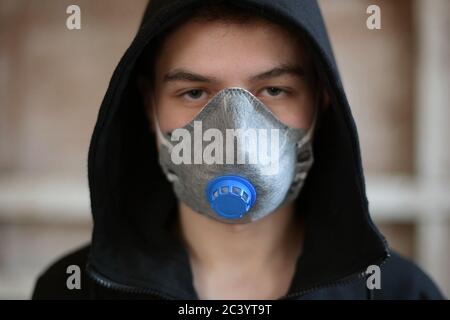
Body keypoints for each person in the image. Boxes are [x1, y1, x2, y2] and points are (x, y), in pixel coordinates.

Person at [32, 0, 444, 300]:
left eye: (274, 90)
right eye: (194, 92)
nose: (235, 133)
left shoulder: (401, 293)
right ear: (148, 104)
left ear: (322, 100)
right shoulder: (72, 289)